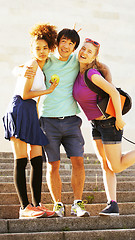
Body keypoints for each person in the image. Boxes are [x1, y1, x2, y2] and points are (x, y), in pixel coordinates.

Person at [73, 38, 135, 216]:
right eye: (83, 49)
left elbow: (113, 92)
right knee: (106, 165)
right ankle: (112, 204)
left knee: (116, 166)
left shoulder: (91, 74)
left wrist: (119, 118)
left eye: (89, 52)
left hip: (109, 123)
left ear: (94, 57)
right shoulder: (78, 73)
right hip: (95, 124)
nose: (84, 53)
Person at [25, 28, 112, 218]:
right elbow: (25, 66)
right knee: (53, 165)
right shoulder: (46, 60)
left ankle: (77, 204)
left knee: (78, 162)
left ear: (74, 48)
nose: (66, 46)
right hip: (48, 121)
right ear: (58, 42)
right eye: (64, 41)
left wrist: (109, 89)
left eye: (71, 43)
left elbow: (100, 66)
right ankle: (58, 205)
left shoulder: (76, 62)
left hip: (72, 120)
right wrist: (19, 69)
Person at [2, 23, 59, 219]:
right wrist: (49, 90)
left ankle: (37, 204)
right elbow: (25, 94)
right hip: (19, 108)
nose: (41, 52)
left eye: (45, 48)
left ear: (50, 48)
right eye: (38, 48)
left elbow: (33, 99)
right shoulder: (32, 64)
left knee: (37, 159)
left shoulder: (42, 67)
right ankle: (24, 207)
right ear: (31, 49)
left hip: (30, 112)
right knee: (21, 160)